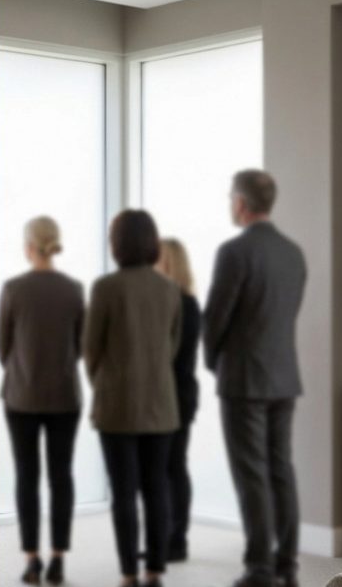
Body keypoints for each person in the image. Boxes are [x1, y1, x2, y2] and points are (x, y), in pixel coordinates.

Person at [203, 170, 307, 587]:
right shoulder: (293, 252)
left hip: (244, 378)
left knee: (252, 473)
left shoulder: (234, 251)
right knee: (281, 468)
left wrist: (213, 359)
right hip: (284, 375)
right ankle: (287, 566)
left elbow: (216, 318)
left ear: (242, 203)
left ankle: (260, 569)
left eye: (231, 198)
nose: (231, 205)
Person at [84, 210, 182, 587]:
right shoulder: (169, 289)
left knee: (123, 493)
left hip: (117, 406)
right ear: (152, 242)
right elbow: (171, 346)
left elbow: (91, 350)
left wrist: (105, 381)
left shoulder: (106, 287)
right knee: (157, 488)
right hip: (161, 404)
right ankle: (155, 569)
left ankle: (129, 573)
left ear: (117, 243)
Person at [0, 216, 85, 585]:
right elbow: (81, 345)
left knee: (27, 476)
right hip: (65, 394)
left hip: (22, 395)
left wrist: (21, 369)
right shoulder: (74, 289)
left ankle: (32, 560)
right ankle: (58, 558)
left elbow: (2, 346)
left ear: (29, 246)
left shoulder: (14, 289)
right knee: (61, 476)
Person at [155, 238, 202, 562]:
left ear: (168, 263)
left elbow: (166, 355)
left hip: (171, 393)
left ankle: (174, 539)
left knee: (167, 467)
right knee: (174, 466)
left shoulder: (173, 303)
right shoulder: (190, 302)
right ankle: (174, 537)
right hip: (183, 392)